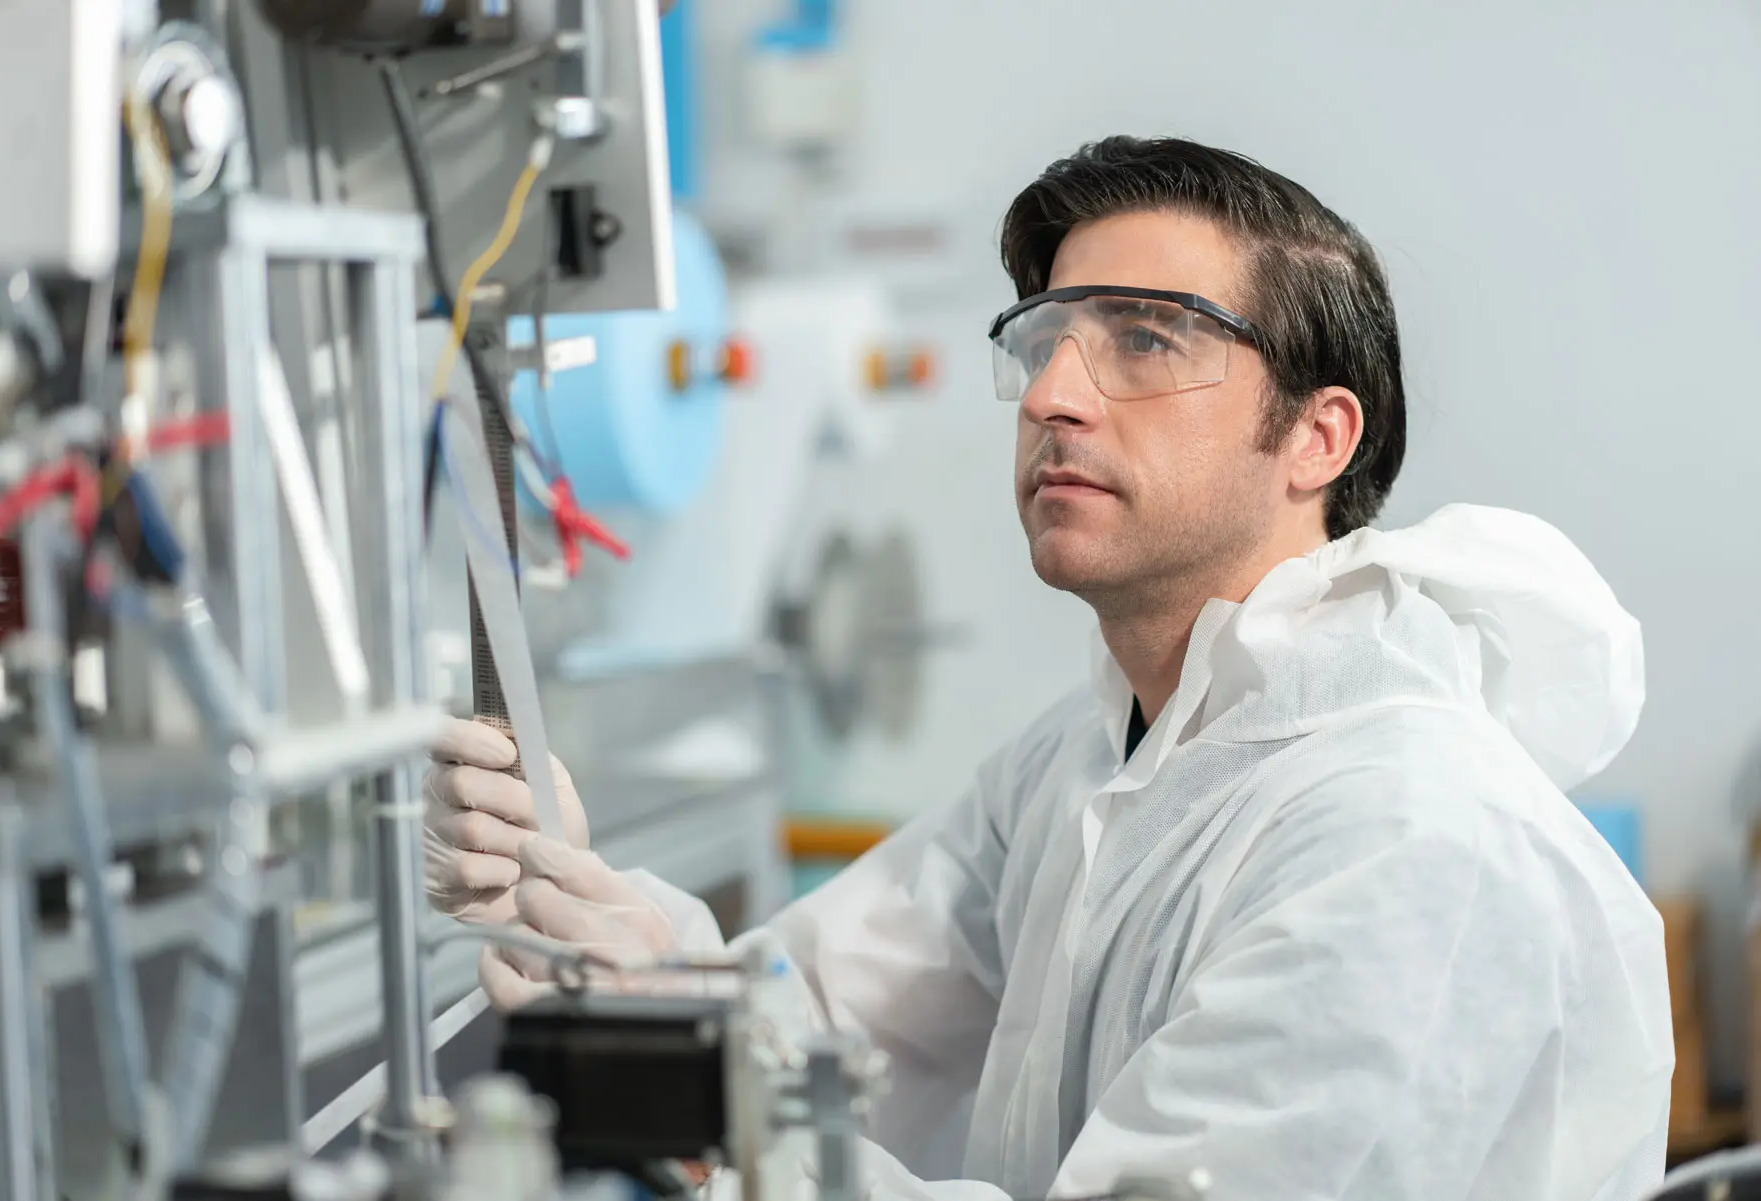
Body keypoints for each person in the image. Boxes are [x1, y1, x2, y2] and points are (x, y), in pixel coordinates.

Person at [423, 137, 1671, 1200]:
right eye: (1044, 340)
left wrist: (707, 1136)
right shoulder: (1099, 756)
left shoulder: (1410, 844)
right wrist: (563, 880)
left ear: (1315, 436)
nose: (1054, 394)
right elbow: (815, 1006)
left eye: (1145, 339)